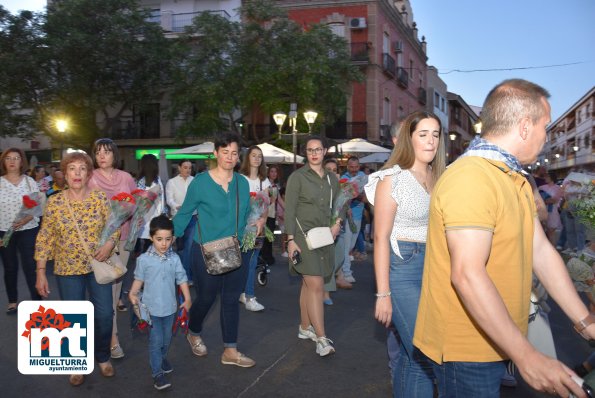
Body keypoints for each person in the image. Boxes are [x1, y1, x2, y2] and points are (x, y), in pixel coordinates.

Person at [413, 79, 595, 398]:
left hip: (496, 337)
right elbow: (467, 274)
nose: (546, 135)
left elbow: (540, 251)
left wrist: (585, 322)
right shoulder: (472, 178)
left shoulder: (514, 179)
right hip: (466, 348)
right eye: (544, 126)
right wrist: (527, 357)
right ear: (525, 127)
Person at [364, 111, 445, 396]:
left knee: (413, 360)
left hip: (434, 269)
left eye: (435, 134)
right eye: (423, 134)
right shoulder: (392, 178)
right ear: (408, 139)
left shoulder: (440, 177)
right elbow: (380, 237)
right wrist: (383, 293)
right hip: (402, 271)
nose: (431, 140)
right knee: (425, 352)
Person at [173, 132, 260, 368]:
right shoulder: (200, 182)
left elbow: (246, 214)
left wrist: (257, 222)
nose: (230, 157)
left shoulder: (242, 182)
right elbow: (184, 213)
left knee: (231, 299)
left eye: (234, 153)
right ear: (215, 153)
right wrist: (168, 238)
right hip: (205, 251)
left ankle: (230, 350)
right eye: (225, 152)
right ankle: (193, 330)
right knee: (207, 298)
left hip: (237, 249)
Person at [35, 152, 119, 386]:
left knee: (104, 315)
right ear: (65, 173)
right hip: (67, 269)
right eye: (72, 169)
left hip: (98, 266)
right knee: (73, 319)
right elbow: (45, 237)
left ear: (89, 174)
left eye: (82, 169)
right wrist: (41, 272)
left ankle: (102, 355)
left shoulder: (100, 198)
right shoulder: (55, 202)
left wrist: (110, 243)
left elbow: (114, 226)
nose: (77, 174)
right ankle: (76, 362)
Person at [285, 136, 343, 357]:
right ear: (305, 153)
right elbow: (289, 211)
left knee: (307, 285)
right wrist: (290, 241)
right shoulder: (297, 178)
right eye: (310, 150)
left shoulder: (331, 179)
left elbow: (339, 204)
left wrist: (337, 224)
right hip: (302, 238)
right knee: (317, 285)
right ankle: (321, 338)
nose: (314, 153)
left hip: (325, 237)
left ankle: (303, 327)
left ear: (325, 150)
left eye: (318, 149)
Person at [128, 215, 191, 391]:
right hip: (151, 310)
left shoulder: (175, 258)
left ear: (172, 238)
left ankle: (162, 357)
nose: (164, 244)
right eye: (159, 239)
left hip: (171, 308)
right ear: (151, 238)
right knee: (156, 342)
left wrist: (187, 298)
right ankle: (157, 374)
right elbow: (137, 281)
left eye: (168, 239)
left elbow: (182, 278)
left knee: (167, 338)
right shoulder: (144, 260)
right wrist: (133, 294)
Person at [88, 138, 137, 360]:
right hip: (100, 242)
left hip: (124, 238)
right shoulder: (90, 178)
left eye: (106, 151)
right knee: (105, 291)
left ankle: (108, 333)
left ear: (114, 155)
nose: (102, 155)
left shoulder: (126, 177)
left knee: (116, 289)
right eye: (98, 152)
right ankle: (112, 338)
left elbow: (137, 203)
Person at [0, 148, 42, 313]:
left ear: (21, 162)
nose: (12, 161)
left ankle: (37, 301)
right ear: (4, 161)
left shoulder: (29, 182)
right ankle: (12, 301)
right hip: (4, 231)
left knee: (30, 265)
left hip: (28, 229)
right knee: (10, 267)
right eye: (8, 158)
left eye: (16, 158)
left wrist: (24, 219)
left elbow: (36, 208)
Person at [238, 146, 270, 312]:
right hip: (242, 227)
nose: (257, 159)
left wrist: (262, 221)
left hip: (258, 228)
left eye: (259, 156)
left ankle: (247, 294)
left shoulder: (264, 181)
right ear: (247, 158)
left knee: (251, 260)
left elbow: (266, 205)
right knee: (244, 261)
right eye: (253, 155)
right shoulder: (239, 179)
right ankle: (246, 294)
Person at [166, 159, 195, 281]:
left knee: (189, 247)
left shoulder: (194, 181)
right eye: (185, 167)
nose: (188, 170)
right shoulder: (171, 182)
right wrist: (176, 206)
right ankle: (179, 273)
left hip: (193, 217)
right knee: (181, 247)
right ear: (179, 168)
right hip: (178, 218)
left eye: (189, 167)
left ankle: (187, 276)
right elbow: (169, 199)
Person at [340, 156, 366, 282]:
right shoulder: (343, 178)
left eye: (356, 167)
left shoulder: (363, 176)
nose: (354, 169)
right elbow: (344, 196)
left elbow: (367, 197)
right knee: (346, 246)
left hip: (358, 215)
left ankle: (338, 267)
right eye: (352, 167)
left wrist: (359, 195)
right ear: (347, 166)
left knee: (351, 245)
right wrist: (355, 195)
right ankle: (346, 272)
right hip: (347, 215)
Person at [136, 154, 166, 253]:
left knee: (147, 249)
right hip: (151, 221)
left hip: (146, 221)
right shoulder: (157, 181)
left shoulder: (140, 182)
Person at [260, 164, 281, 266]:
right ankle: (264, 258)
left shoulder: (276, 186)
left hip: (272, 216)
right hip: (265, 215)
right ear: (268, 173)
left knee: (269, 238)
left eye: (275, 172)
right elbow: (264, 200)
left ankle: (267, 257)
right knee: (266, 238)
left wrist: (289, 210)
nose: (274, 174)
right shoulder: (265, 185)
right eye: (272, 171)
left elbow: (279, 200)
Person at [538, 172, 563, 244]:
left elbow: (555, 200)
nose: (545, 178)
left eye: (547, 177)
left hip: (552, 211)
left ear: (552, 178)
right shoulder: (541, 187)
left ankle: (553, 247)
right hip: (543, 210)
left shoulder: (558, 188)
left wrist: (545, 201)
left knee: (551, 231)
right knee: (543, 230)